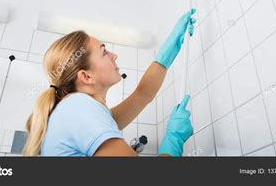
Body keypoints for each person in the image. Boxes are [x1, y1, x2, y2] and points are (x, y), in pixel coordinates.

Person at [23, 9, 197, 156]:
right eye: (104, 52)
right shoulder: (80, 108)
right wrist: (174, 139)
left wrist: (168, 50)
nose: (114, 56)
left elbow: (142, 94)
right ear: (86, 77)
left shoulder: (75, 110)